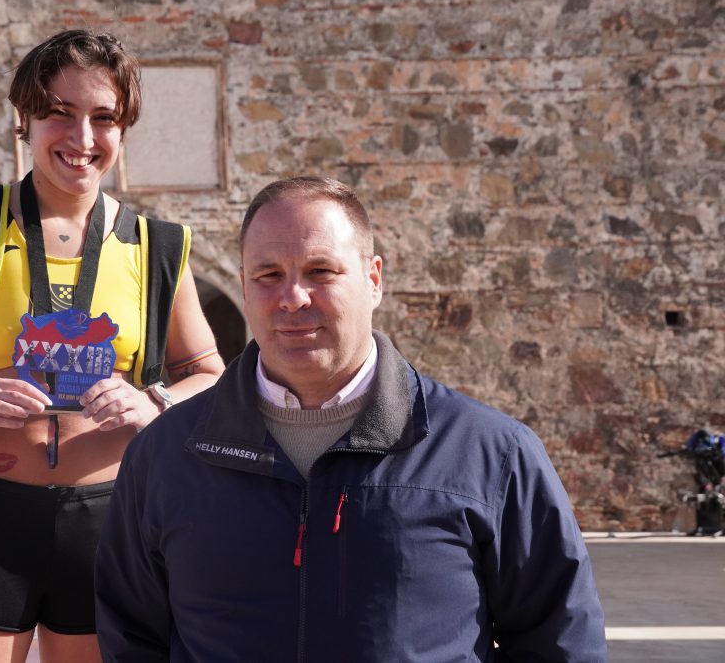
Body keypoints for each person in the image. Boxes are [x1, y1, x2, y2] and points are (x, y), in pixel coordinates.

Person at [94, 176, 607, 661]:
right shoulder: (165, 456)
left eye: (321, 271)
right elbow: (132, 637)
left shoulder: (490, 454)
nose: (293, 297)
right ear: (245, 287)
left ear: (373, 279)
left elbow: (559, 640)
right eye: (269, 276)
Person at [0, 29, 224, 663]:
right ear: (25, 119)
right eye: (60, 112)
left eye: (104, 118)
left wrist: (155, 402)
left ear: (123, 129)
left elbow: (211, 374)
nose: (82, 137)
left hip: (111, 520)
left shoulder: (158, 247)